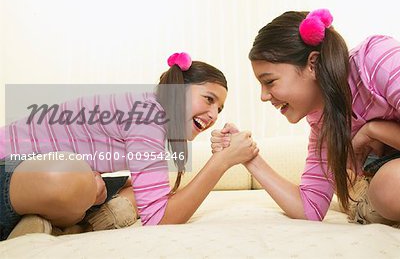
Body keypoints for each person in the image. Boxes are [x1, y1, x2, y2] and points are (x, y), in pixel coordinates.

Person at [211, 9, 400, 230]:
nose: (263, 96)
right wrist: (248, 157)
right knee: (383, 188)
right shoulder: (322, 120)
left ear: (312, 64)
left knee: (390, 186)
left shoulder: (379, 61)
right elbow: (310, 208)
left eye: (270, 81)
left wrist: (378, 131)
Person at [0, 52, 258, 240]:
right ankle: (62, 220)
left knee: (133, 188)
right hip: (9, 171)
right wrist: (221, 162)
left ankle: (51, 223)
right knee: (79, 182)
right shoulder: (148, 117)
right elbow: (160, 220)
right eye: (209, 99)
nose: (214, 115)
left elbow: (154, 200)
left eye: (219, 108)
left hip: (32, 174)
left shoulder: (149, 109)